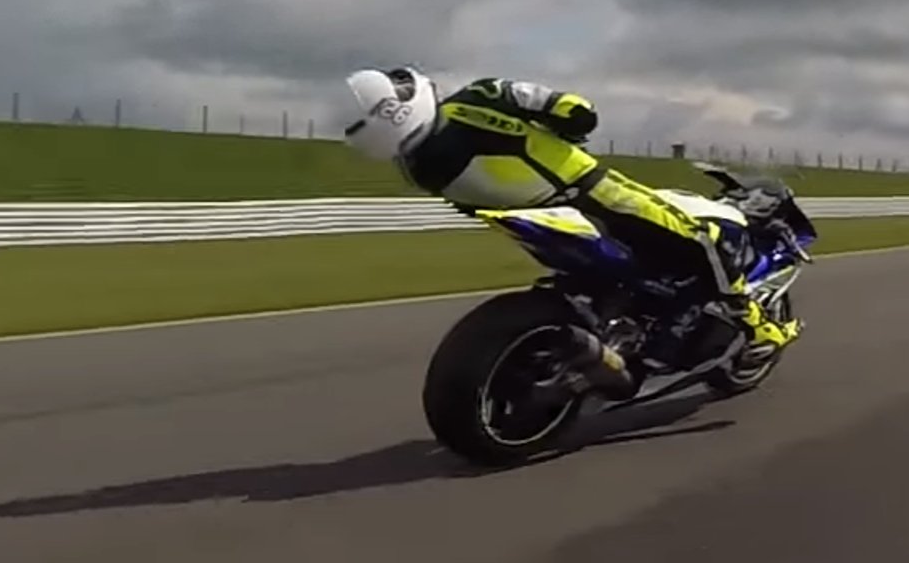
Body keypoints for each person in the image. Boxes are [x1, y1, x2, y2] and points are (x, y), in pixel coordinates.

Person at [340, 66, 799, 367]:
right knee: (705, 238)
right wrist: (570, 124)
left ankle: (628, 323)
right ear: (402, 101)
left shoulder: (414, 166)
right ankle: (756, 325)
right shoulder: (478, 97)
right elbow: (575, 110)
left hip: (539, 222)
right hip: (591, 194)